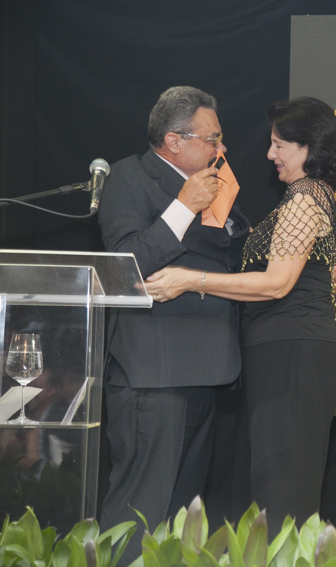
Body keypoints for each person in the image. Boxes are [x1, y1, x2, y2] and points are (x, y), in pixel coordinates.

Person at [145, 96, 336, 532]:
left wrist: (191, 279)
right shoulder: (309, 197)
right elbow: (309, 276)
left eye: (280, 145)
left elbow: (276, 283)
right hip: (283, 353)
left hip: (291, 357)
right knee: (271, 491)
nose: (270, 154)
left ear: (309, 147)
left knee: (281, 495)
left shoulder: (305, 197)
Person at [98, 87, 250, 543]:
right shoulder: (130, 177)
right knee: (139, 513)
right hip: (155, 373)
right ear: (174, 141)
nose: (222, 149)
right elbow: (126, 264)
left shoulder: (214, 184)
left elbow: (231, 262)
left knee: (183, 521)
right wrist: (184, 207)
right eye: (212, 139)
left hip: (208, 370)